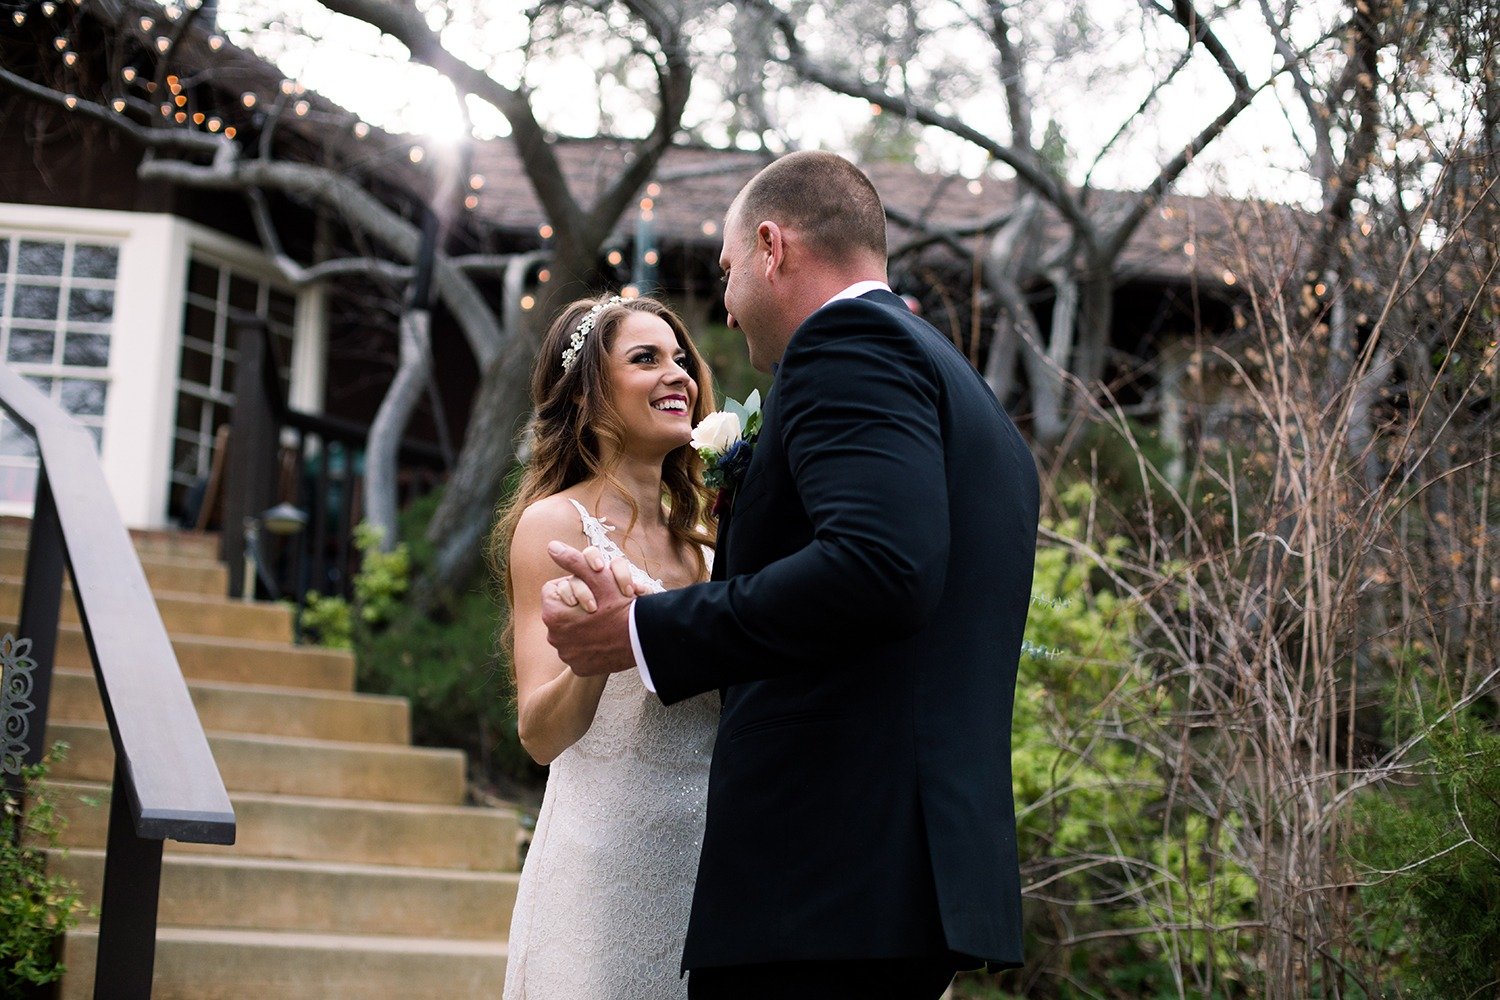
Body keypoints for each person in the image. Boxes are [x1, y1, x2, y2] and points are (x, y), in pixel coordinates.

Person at [541, 150, 1041, 999]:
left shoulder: (849, 348)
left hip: (822, 877)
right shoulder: (956, 383)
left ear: (773, 247)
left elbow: (879, 567)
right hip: (900, 872)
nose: (728, 315)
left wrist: (641, 629)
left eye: (730, 273)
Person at [495, 293, 721, 999]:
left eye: (680, 359)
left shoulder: (712, 539)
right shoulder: (553, 525)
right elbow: (539, 732)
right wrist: (599, 653)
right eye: (646, 359)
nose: (678, 374)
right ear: (590, 396)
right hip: (605, 867)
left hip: (711, 871)